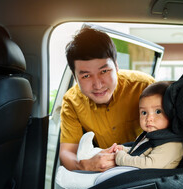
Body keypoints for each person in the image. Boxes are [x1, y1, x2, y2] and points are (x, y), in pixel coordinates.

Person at [59, 26, 155, 172]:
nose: (98, 85)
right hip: (103, 173)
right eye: (86, 76)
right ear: (75, 77)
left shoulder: (144, 87)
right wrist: (86, 165)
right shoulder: (72, 101)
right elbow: (67, 152)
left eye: (104, 71)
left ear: (116, 66)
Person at [111, 81, 183, 169]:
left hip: (152, 180)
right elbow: (141, 152)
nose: (149, 118)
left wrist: (121, 158)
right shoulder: (151, 136)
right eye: (144, 112)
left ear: (173, 113)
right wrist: (124, 149)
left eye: (158, 111)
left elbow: (149, 164)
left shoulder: (172, 144)